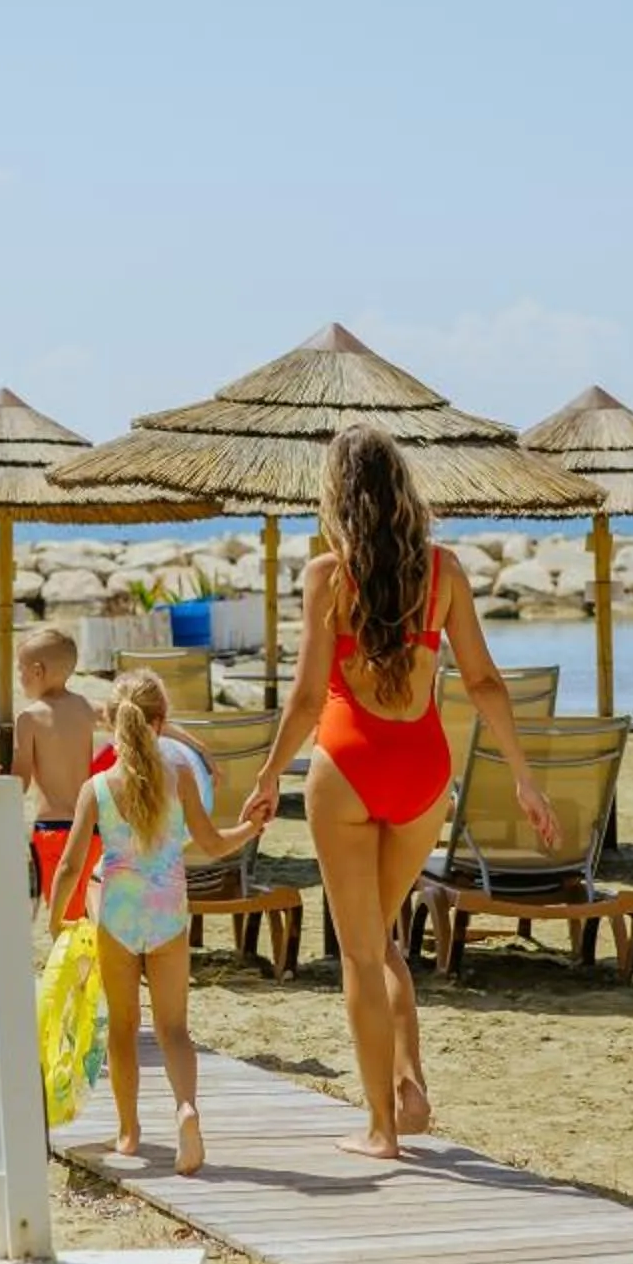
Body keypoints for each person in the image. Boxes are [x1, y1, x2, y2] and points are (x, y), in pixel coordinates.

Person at [243, 423, 559, 1161]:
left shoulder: (326, 576)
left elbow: (306, 699)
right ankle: (410, 1082)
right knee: (381, 937)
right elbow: (484, 681)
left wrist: (267, 775)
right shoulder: (444, 571)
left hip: (348, 766)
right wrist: (523, 776)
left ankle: (382, 1128)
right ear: (402, 490)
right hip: (423, 769)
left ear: (336, 494)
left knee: (360, 952)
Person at [47, 670, 258, 1174]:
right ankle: (186, 1109)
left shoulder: (97, 788)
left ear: (109, 721)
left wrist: (57, 920)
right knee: (174, 1029)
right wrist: (252, 826)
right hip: (168, 915)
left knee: (123, 1030)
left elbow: (71, 866)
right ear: (161, 722)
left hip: (118, 916)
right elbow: (212, 844)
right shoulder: (180, 775)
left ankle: (128, 1132)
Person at [10, 626, 98, 914]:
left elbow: (19, 782)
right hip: (90, 828)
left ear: (37, 671)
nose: (19, 676)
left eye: (20, 669)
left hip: (53, 830)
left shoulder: (30, 718)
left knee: (63, 916)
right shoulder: (84, 708)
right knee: (84, 907)